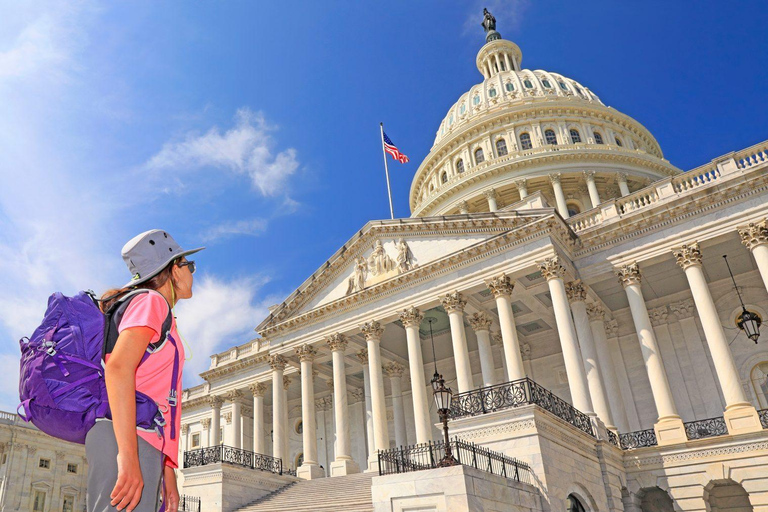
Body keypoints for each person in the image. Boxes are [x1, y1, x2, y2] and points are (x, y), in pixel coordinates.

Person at [88, 230, 204, 512]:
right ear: (174, 269)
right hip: (129, 438)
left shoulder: (152, 306)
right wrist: (128, 457)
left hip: (138, 438)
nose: (193, 272)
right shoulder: (151, 302)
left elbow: (154, 396)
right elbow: (118, 368)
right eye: (191, 265)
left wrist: (166, 472)